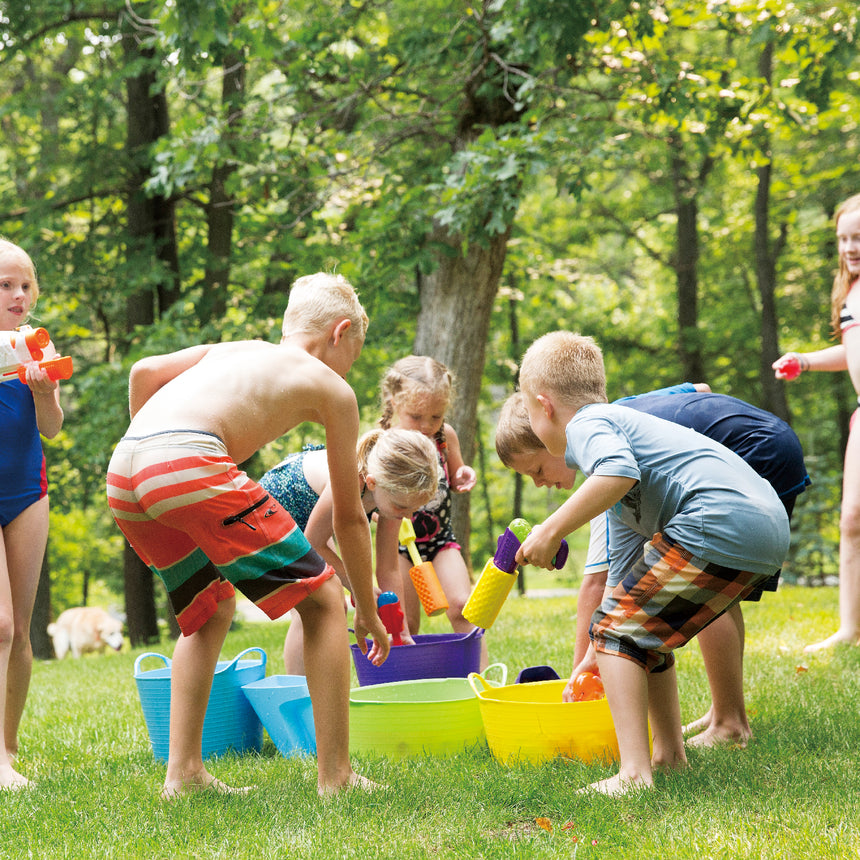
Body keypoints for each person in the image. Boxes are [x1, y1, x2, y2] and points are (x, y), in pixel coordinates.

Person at [106, 272, 390, 799]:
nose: (353, 361)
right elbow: (350, 518)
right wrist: (367, 610)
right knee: (327, 599)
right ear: (341, 331)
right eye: (357, 347)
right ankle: (338, 777)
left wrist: (151, 455)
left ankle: (183, 774)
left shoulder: (235, 349)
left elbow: (144, 371)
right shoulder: (334, 389)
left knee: (209, 608)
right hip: (187, 461)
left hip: (126, 469)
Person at [515, 332, 790, 795]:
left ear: (544, 405)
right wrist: (589, 661)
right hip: (764, 527)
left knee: (616, 630)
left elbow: (616, 470)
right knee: (637, 629)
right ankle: (667, 756)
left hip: (720, 517)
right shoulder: (618, 487)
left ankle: (633, 774)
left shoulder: (590, 424)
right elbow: (621, 581)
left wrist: (550, 530)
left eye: (526, 410)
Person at [259, 427, 439, 673]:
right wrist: (359, 588)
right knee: (317, 604)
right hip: (274, 510)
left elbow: (388, 568)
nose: (408, 516)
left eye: (414, 509)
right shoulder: (347, 478)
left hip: (310, 522)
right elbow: (313, 543)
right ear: (373, 482)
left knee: (333, 601)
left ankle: (312, 687)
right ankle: (299, 690)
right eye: (403, 507)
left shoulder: (392, 497)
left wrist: (400, 632)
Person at [774, 192, 860, 653]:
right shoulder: (849, 291)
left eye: (859, 238)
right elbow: (851, 351)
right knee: (851, 519)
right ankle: (850, 628)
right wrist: (804, 361)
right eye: (844, 239)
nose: (850, 247)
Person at [0, 239, 65, 791]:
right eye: (5, 286)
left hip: (27, 492)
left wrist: (44, 390)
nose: (19, 296)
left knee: (19, 631)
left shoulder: (36, 346)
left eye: (25, 285)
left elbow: (51, 427)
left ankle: (8, 749)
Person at [378, 355, 486, 668]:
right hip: (397, 545)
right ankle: (406, 682)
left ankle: (480, 675)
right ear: (395, 402)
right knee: (406, 622)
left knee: (462, 605)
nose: (427, 426)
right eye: (416, 416)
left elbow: (455, 475)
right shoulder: (384, 442)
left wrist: (464, 474)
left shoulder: (444, 437)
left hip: (441, 539)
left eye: (435, 417)